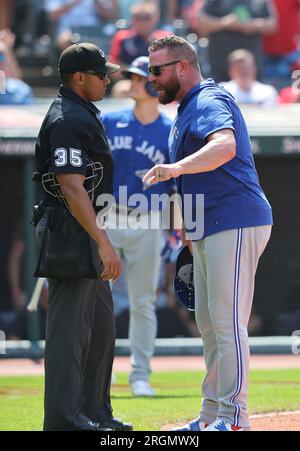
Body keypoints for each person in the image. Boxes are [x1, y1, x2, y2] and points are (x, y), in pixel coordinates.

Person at [143, 35, 273, 431]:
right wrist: (185, 226)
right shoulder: (186, 108)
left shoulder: (208, 100)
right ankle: (211, 414)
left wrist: (177, 168)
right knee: (209, 324)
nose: (152, 78)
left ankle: (235, 418)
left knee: (227, 321)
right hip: (207, 224)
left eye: (157, 70)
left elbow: (225, 147)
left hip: (234, 219)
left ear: (182, 67)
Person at [34, 42, 132, 431]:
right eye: (100, 74)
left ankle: (93, 413)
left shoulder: (81, 113)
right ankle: (64, 420)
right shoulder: (67, 118)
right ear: (78, 78)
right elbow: (72, 187)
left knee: (101, 327)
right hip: (69, 231)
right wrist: (103, 242)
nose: (107, 79)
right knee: (70, 333)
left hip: (84, 230)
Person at [101, 56, 173, 396]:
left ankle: (140, 375)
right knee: (99, 299)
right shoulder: (109, 120)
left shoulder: (169, 128)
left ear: (152, 85)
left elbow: (178, 184)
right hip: (108, 216)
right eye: (129, 75)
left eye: (138, 76)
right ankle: (99, 370)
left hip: (149, 219)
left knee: (143, 302)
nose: (131, 81)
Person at [198, 0, 277, 82]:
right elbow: (201, 23)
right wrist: (225, 23)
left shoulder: (260, 1)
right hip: (219, 67)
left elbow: (273, 25)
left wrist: (252, 25)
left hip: (249, 70)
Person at [108, 2, 172, 79]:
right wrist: (138, 73)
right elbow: (113, 67)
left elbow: (170, 67)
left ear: (155, 18)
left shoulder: (165, 37)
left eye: (146, 17)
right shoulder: (121, 37)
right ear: (132, 19)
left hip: (157, 81)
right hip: (129, 82)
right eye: (138, 17)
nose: (142, 22)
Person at [45, 0, 118, 51]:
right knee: (64, 41)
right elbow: (53, 15)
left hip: (93, 30)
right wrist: (75, 2)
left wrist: (97, 2)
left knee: (111, 40)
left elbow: (108, 15)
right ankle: (73, 69)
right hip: (69, 30)